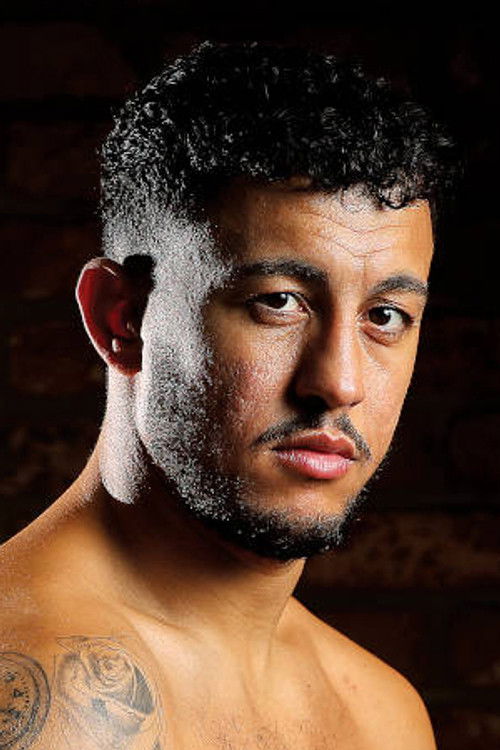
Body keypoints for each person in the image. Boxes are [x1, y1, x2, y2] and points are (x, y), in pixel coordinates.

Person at [0, 40, 458, 749]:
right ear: (122, 320)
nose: (339, 383)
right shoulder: (46, 703)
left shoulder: (382, 715)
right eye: (278, 302)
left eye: (386, 316)